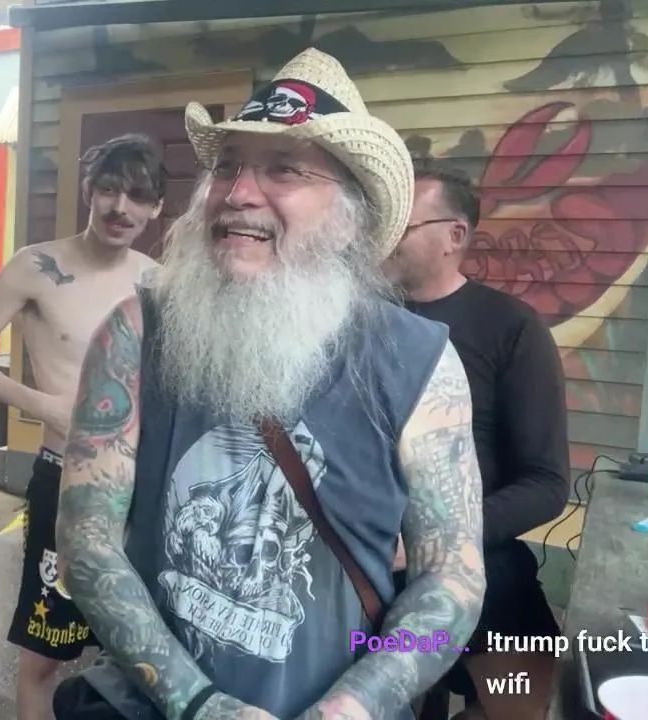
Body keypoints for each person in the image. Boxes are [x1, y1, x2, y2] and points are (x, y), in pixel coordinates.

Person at [51, 48, 487, 720]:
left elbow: (452, 582)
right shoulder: (137, 333)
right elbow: (86, 543)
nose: (238, 193)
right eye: (227, 166)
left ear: (348, 212)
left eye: (282, 168)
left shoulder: (419, 362)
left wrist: (356, 706)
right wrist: (198, 704)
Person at [0, 134, 164, 720]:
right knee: (45, 656)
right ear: (89, 191)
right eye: (110, 189)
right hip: (63, 481)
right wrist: (47, 406)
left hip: (138, 488)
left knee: (139, 651)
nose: (121, 207)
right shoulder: (37, 267)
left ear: (156, 208)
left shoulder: (156, 282)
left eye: (138, 196)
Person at [383, 158, 570, 720]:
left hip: (480, 560)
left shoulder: (511, 327)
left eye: (402, 225)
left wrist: (440, 540)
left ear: (454, 236)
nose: (384, 238)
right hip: (363, 565)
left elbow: (546, 484)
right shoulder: (358, 320)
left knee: (528, 704)